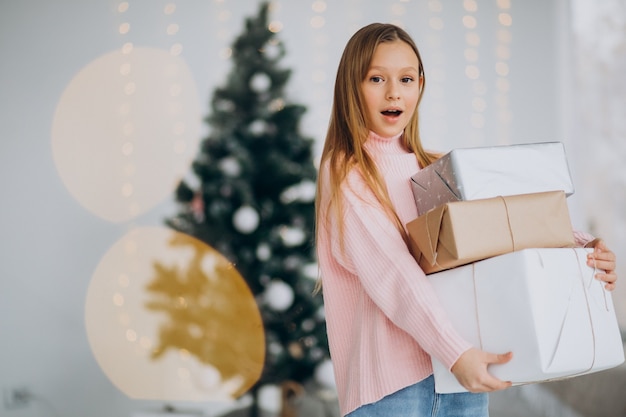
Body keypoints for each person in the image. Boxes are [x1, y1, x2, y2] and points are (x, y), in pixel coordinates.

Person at [314, 23, 618, 417]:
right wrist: (454, 352)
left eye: (406, 79)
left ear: (420, 85)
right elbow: (394, 274)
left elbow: (502, 228)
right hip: (396, 390)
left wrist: (583, 249)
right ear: (351, 87)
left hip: (462, 377)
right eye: (376, 78)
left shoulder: (434, 170)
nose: (394, 92)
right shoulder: (347, 173)